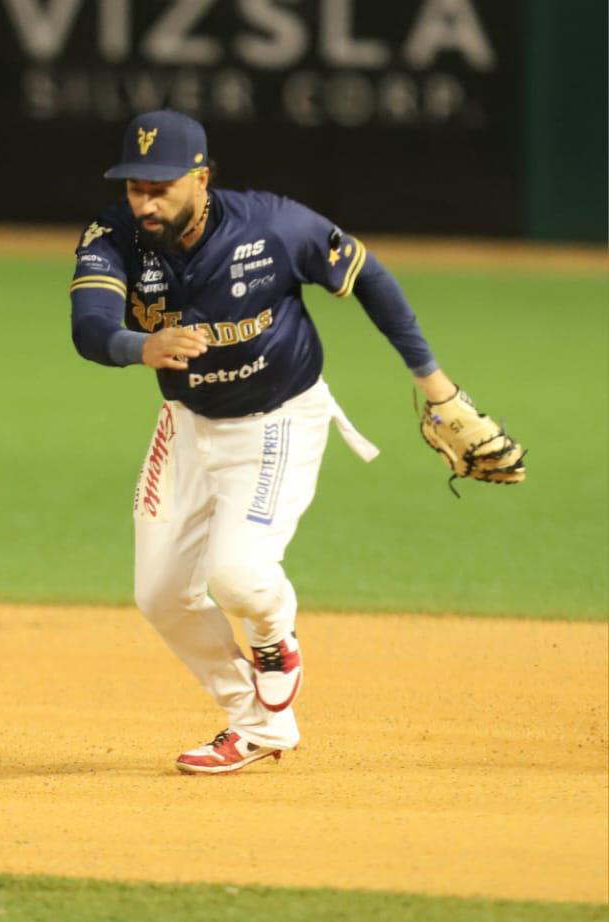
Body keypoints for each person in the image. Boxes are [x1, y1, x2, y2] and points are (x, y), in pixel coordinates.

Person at [69, 109, 524, 776]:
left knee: (238, 576)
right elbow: (89, 327)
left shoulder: (271, 225)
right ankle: (257, 722)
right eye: (135, 186)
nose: (145, 200)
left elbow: (368, 275)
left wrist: (436, 388)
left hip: (276, 418)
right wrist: (141, 347)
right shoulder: (112, 235)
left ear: (201, 177)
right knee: (160, 596)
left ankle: (274, 639)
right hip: (187, 426)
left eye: (161, 185)